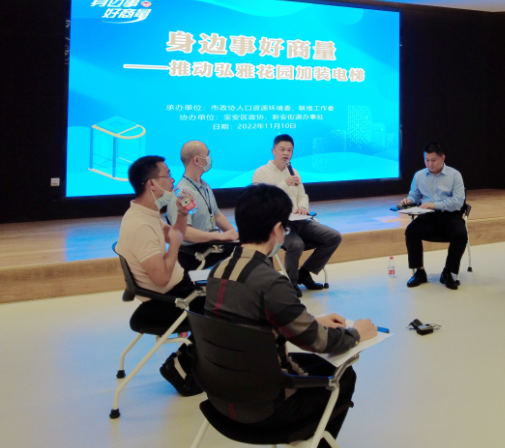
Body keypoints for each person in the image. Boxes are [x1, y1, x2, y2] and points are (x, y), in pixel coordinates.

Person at [204, 183, 377, 448]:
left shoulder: (218, 271)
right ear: (276, 229)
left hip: (222, 395)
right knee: (344, 374)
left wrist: (313, 319)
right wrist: (356, 333)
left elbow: (250, 322)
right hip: (267, 408)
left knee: (318, 365)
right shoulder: (270, 281)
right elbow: (319, 343)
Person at [114, 155, 205, 394]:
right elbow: (162, 278)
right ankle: (180, 367)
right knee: (229, 308)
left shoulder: (147, 213)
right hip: (171, 299)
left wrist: (182, 215)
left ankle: (196, 362)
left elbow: (176, 234)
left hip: (180, 288)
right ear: (152, 184)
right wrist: (173, 245)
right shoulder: (141, 226)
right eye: (167, 176)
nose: (173, 180)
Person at [252, 135, 343, 297]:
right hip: (277, 225)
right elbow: (262, 200)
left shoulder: (294, 172)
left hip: (299, 221)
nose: (286, 153)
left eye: (289, 150)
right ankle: (291, 283)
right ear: (273, 151)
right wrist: (285, 183)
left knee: (333, 236)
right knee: (296, 244)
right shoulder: (261, 173)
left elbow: (302, 195)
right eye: (282, 149)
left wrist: (303, 206)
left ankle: (305, 273)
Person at [400, 141, 467, 291]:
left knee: (461, 234)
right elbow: (415, 195)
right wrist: (409, 200)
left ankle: (448, 272)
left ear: (442, 158)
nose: (430, 164)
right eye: (427, 160)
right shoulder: (419, 175)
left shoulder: (454, 175)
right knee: (411, 231)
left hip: (450, 216)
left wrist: (435, 205)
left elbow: (458, 202)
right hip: (428, 217)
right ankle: (419, 272)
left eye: (433, 160)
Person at [167, 140, 239, 271]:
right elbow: (185, 232)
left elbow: (216, 215)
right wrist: (219, 236)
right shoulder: (182, 193)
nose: (209, 159)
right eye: (207, 155)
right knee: (250, 252)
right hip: (195, 253)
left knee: (253, 244)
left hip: (211, 244)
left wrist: (234, 234)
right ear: (197, 160)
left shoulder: (204, 185)